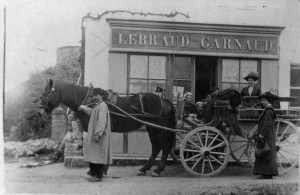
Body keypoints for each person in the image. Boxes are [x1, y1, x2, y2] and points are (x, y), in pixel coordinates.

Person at [79, 88, 112, 182]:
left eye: (96, 95)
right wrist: (84, 107)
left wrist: (98, 134)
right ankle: (94, 174)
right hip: (96, 135)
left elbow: (101, 121)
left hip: (99, 136)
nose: (94, 97)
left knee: (98, 156)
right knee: (94, 155)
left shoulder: (102, 106)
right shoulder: (99, 106)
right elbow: (92, 112)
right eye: (93, 95)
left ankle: (98, 176)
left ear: (101, 96)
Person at [253, 92, 278, 179]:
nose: (262, 102)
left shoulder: (269, 110)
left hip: (267, 136)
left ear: (268, 101)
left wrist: (261, 135)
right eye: (262, 100)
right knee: (265, 154)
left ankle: (268, 174)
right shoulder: (268, 110)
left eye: (264, 100)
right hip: (267, 135)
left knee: (266, 153)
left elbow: (267, 124)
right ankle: (266, 173)